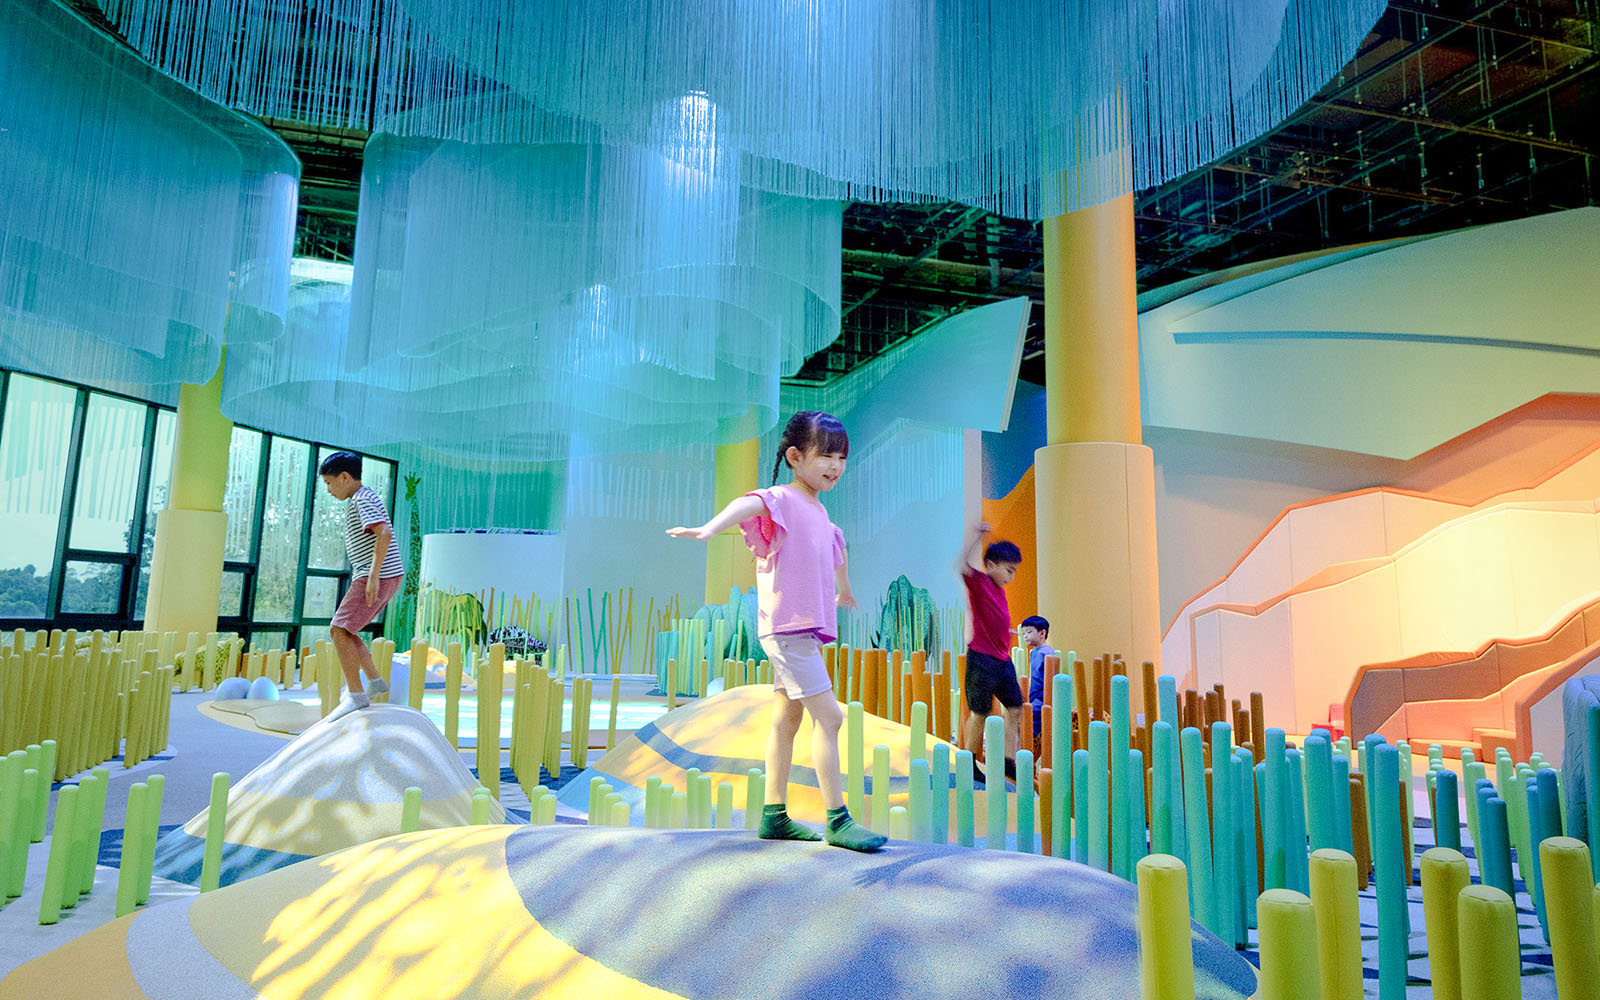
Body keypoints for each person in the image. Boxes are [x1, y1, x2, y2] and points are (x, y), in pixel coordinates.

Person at [667, 411, 885, 851]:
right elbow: (748, 503)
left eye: (841, 457)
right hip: (788, 630)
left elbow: (837, 552)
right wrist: (710, 529)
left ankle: (774, 815)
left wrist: (845, 592)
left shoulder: (821, 514)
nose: (835, 466)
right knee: (832, 717)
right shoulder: (782, 498)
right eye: (826, 455)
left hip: (801, 631)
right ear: (794, 456)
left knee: (787, 719)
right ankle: (838, 820)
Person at [319, 452, 406, 721]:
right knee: (347, 630)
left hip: (377, 574)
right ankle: (375, 681)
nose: (329, 490)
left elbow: (384, 532)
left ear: (345, 477)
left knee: (338, 630)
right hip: (382, 574)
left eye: (330, 483)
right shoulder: (363, 497)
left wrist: (373, 576)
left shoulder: (363, 498)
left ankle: (356, 696)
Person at [956, 522, 1022, 780]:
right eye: (1009, 570)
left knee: (1015, 708)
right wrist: (977, 537)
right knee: (980, 713)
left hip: (1003, 661)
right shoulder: (980, 583)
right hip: (982, 660)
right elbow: (961, 565)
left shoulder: (1000, 592)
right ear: (991, 565)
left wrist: (1009, 633)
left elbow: (996, 620)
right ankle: (969, 762)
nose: (1011, 577)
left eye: (1014, 571)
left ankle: (1008, 760)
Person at [1020, 615, 1058, 739]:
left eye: (1029, 632)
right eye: (1023, 633)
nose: (1025, 636)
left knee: (1031, 721)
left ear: (1042, 633)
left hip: (1043, 697)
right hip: (1034, 696)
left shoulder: (1047, 653)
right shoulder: (1033, 652)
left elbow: (1052, 677)